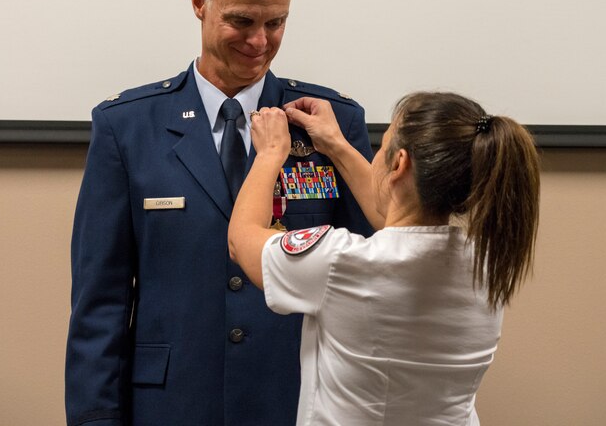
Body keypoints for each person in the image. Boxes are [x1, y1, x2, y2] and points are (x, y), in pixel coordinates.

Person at [64, 0, 373, 426]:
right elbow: (100, 302)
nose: (259, 41)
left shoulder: (330, 124)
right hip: (172, 403)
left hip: (298, 401)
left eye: (276, 22)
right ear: (198, 2)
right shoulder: (127, 127)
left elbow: (374, 276)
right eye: (242, 21)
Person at [228, 92, 541, 425]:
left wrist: (270, 153)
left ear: (398, 163)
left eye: (382, 146)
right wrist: (336, 144)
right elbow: (397, 221)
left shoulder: (341, 263)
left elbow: (242, 240)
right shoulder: (487, 264)